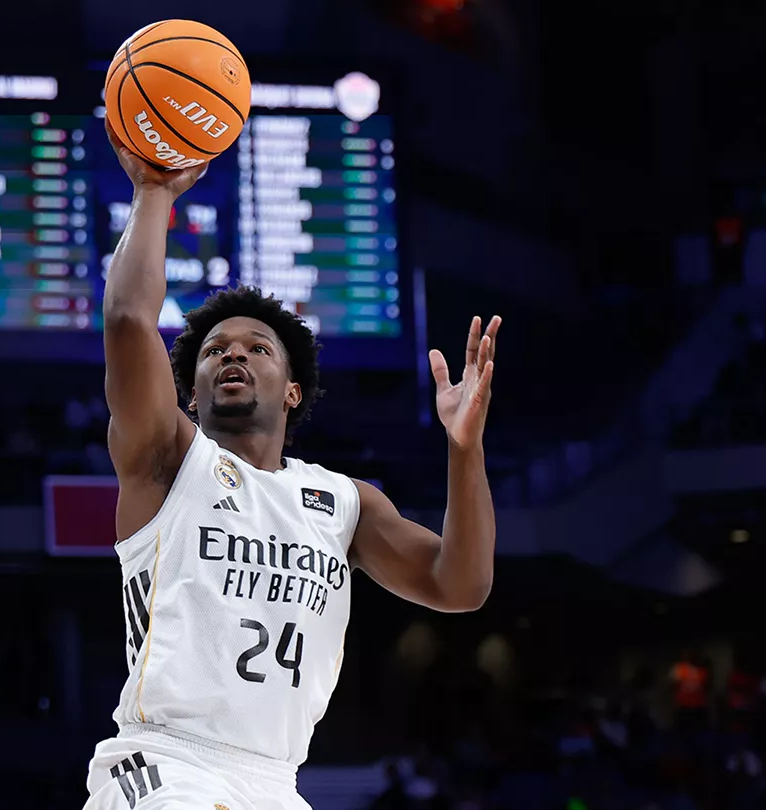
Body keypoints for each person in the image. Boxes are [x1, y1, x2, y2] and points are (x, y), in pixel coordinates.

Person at [82, 126, 499, 810]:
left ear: (293, 388)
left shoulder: (343, 503)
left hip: (274, 783)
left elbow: (461, 585)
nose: (232, 355)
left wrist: (464, 449)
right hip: (165, 767)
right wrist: (154, 191)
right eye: (214, 350)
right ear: (190, 391)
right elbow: (128, 318)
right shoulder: (166, 460)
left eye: (256, 348)